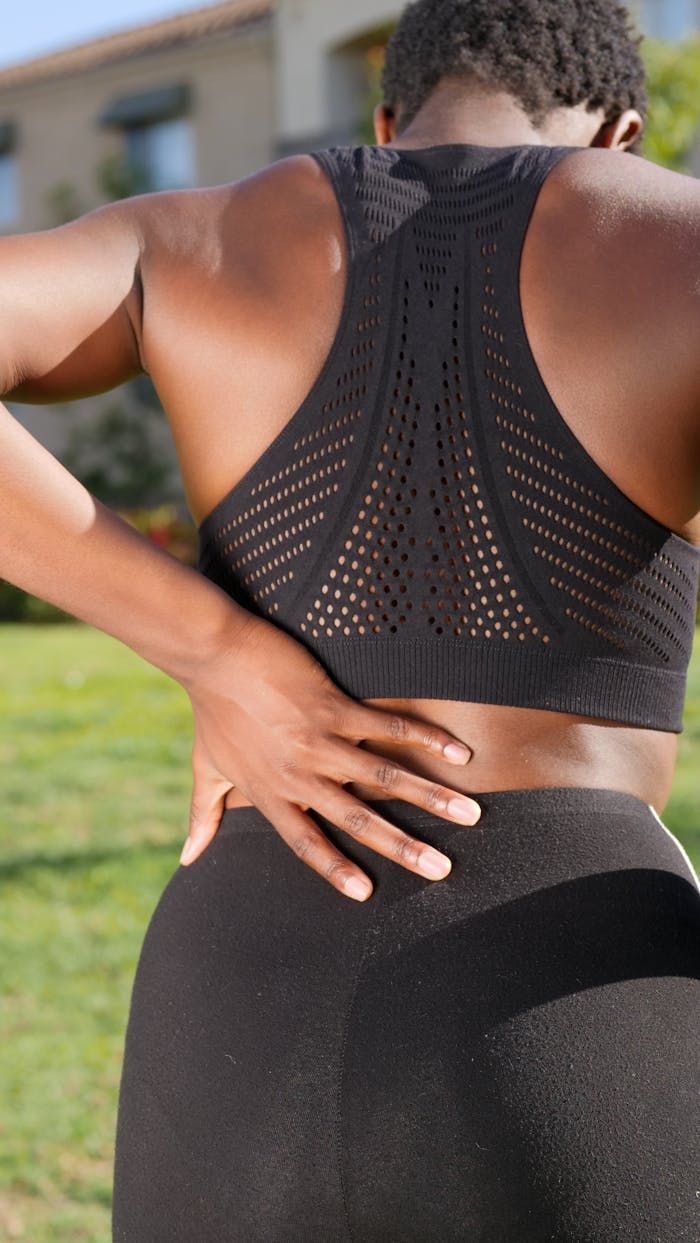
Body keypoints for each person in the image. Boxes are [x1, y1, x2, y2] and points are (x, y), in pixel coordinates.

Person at [1, 0, 698, 1238]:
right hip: (568, 989)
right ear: (621, 139)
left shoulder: (193, 236)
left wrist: (213, 652)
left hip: (229, 1007)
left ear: (384, 123)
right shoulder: (678, 246)